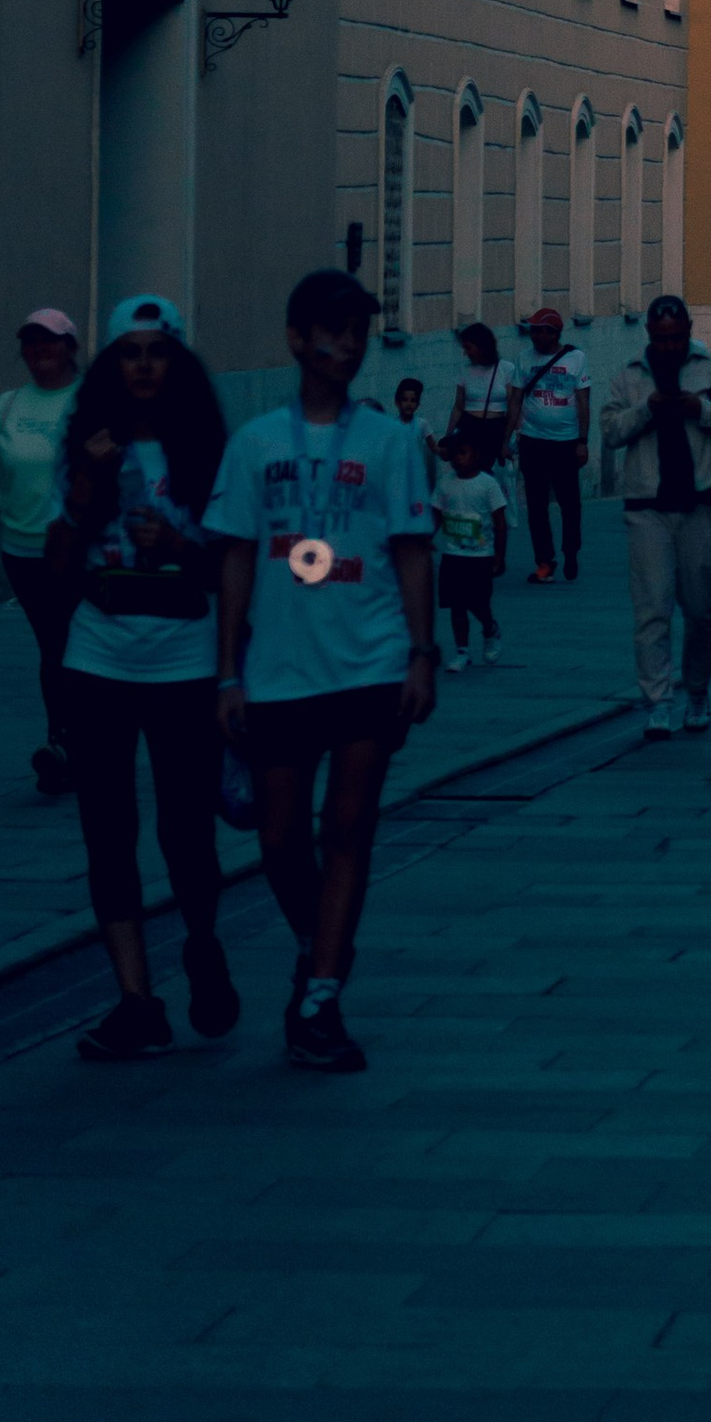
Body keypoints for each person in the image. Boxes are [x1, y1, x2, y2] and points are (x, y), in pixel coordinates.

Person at [210, 268, 438, 1075]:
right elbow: (235, 555)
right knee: (278, 842)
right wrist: (226, 672)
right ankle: (318, 943)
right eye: (331, 331)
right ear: (297, 339)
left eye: (358, 333)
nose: (346, 345)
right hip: (277, 667)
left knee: (348, 830)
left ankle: (322, 997)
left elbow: (413, 549)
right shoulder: (256, 444)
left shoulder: (390, 442)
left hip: (370, 662)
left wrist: (421, 652)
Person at [50, 297, 237, 1063]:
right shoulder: (89, 443)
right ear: (111, 367)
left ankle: (200, 941)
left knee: (186, 828)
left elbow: (235, 566)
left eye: (157, 352)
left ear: (178, 364)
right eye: (129, 353)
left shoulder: (207, 452)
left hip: (183, 657)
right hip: (100, 653)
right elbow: (56, 560)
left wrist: (183, 548)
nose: (143, 366)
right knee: (107, 827)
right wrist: (89, 490)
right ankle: (136, 999)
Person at [602, 296, 711, 735]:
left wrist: (701, 409)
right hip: (647, 504)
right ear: (649, 334)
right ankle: (658, 700)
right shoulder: (630, 375)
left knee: (701, 606)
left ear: (688, 331)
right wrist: (647, 408)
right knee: (652, 606)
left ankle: (699, 689)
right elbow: (610, 432)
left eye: (676, 338)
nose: (669, 346)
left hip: (701, 499)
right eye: (661, 339)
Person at [0, 304, 83, 794]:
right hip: (22, 551)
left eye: (51, 341)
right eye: (32, 343)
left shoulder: (89, 400)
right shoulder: (8, 407)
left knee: (69, 642)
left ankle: (68, 742)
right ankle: (66, 742)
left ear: (70, 348)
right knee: (54, 644)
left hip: (81, 548)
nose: (41, 350)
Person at [513, 306, 592, 583]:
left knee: (569, 503)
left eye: (540, 331)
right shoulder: (523, 359)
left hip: (565, 442)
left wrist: (582, 441)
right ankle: (544, 561)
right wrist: (511, 435)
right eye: (532, 330)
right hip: (533, 441)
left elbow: (583, 401)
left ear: (554, 333)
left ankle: (571, 551)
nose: (534, 336)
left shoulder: (576, 358)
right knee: (536, 505)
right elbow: (516, 400)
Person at [432, 424, 510, 668]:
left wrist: (499, 556)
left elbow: (500, 523)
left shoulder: (487, 485)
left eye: (463, 452)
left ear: (476, 455)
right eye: (454, 454)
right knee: (456, 604)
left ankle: (490, 628)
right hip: (453, 554)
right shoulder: (445, 483)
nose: (458, 458)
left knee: (477, 602)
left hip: (480, 555)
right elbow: (435, 515)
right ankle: (462, 651)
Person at [444, 321, 519, 472]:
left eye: (469, 347)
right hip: (470, 426)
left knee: (490, 472)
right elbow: (458, 406)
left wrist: (508, 439)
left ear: (482, 346)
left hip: (494, 428)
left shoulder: (506, 369)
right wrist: (448, 436)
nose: (466, 353)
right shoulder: (464, 371)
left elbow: (513, 407)